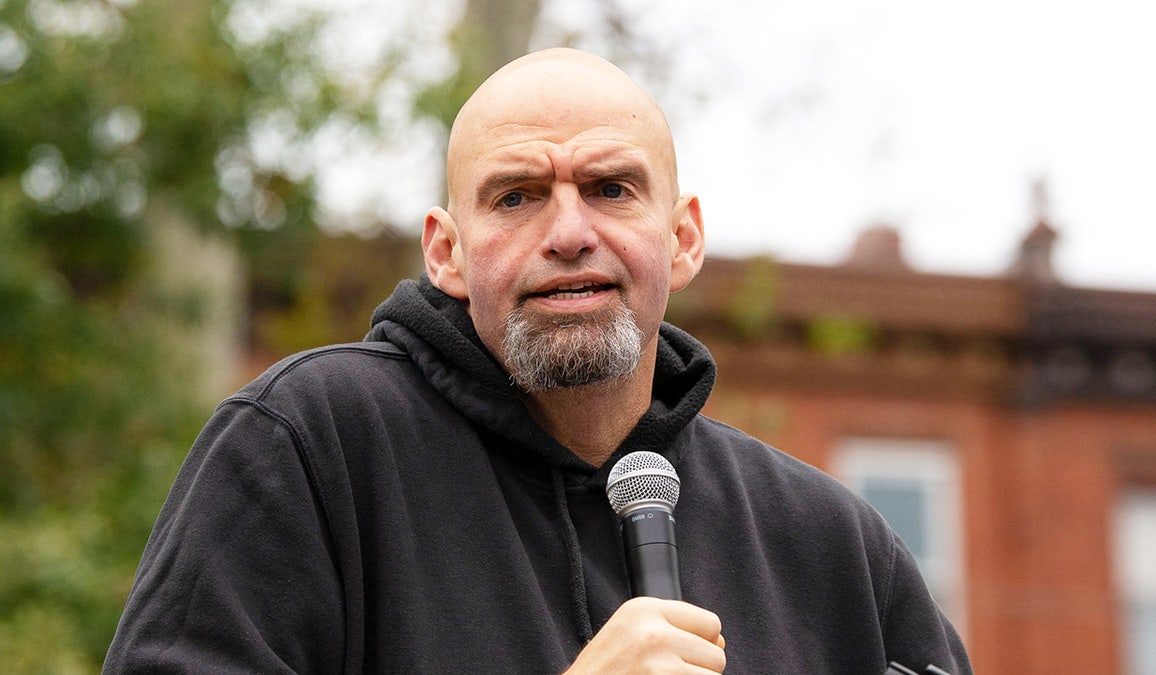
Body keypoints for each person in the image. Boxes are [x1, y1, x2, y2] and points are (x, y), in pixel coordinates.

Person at [104, 48, 972, 673]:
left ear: (683, 238)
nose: (568, 233)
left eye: (611, 189)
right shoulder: (309, 445)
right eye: (516, 196)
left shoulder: (831, 546)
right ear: (445, 252)